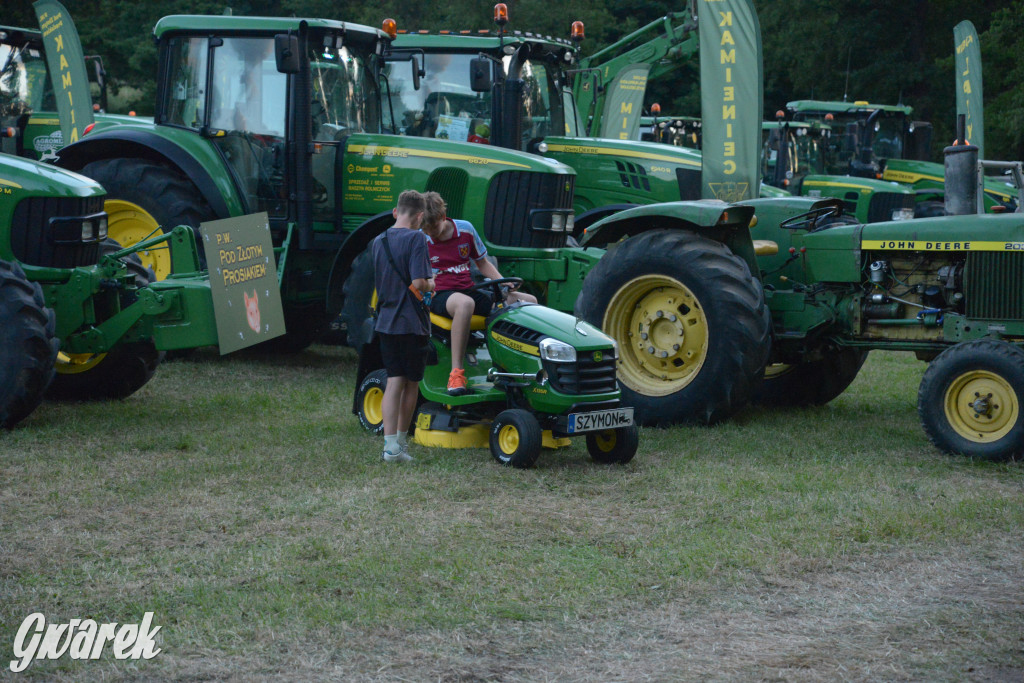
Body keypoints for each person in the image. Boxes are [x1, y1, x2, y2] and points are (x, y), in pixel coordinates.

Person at [420, 191, 536, 396]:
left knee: (527, 302)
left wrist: (504, 282)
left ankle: (519, 367)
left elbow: (482, 263)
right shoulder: (422, 239)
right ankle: (456, 373)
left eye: (434, 229)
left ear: (442, 216)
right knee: (465, 304)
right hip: (440, 294)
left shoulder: (466, 230)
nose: (431, 235)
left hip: (468, 289)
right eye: (426, 230)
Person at [372, 190, 435, 462]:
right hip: (411, 321)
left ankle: (389, 448)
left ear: (397, 211)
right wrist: (433, 284)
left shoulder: (378, 240)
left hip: (386, 320)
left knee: (393, 379)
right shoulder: (417, 238)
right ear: (419, 216)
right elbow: (420, 282)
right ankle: (400, 443)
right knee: (411, 384)